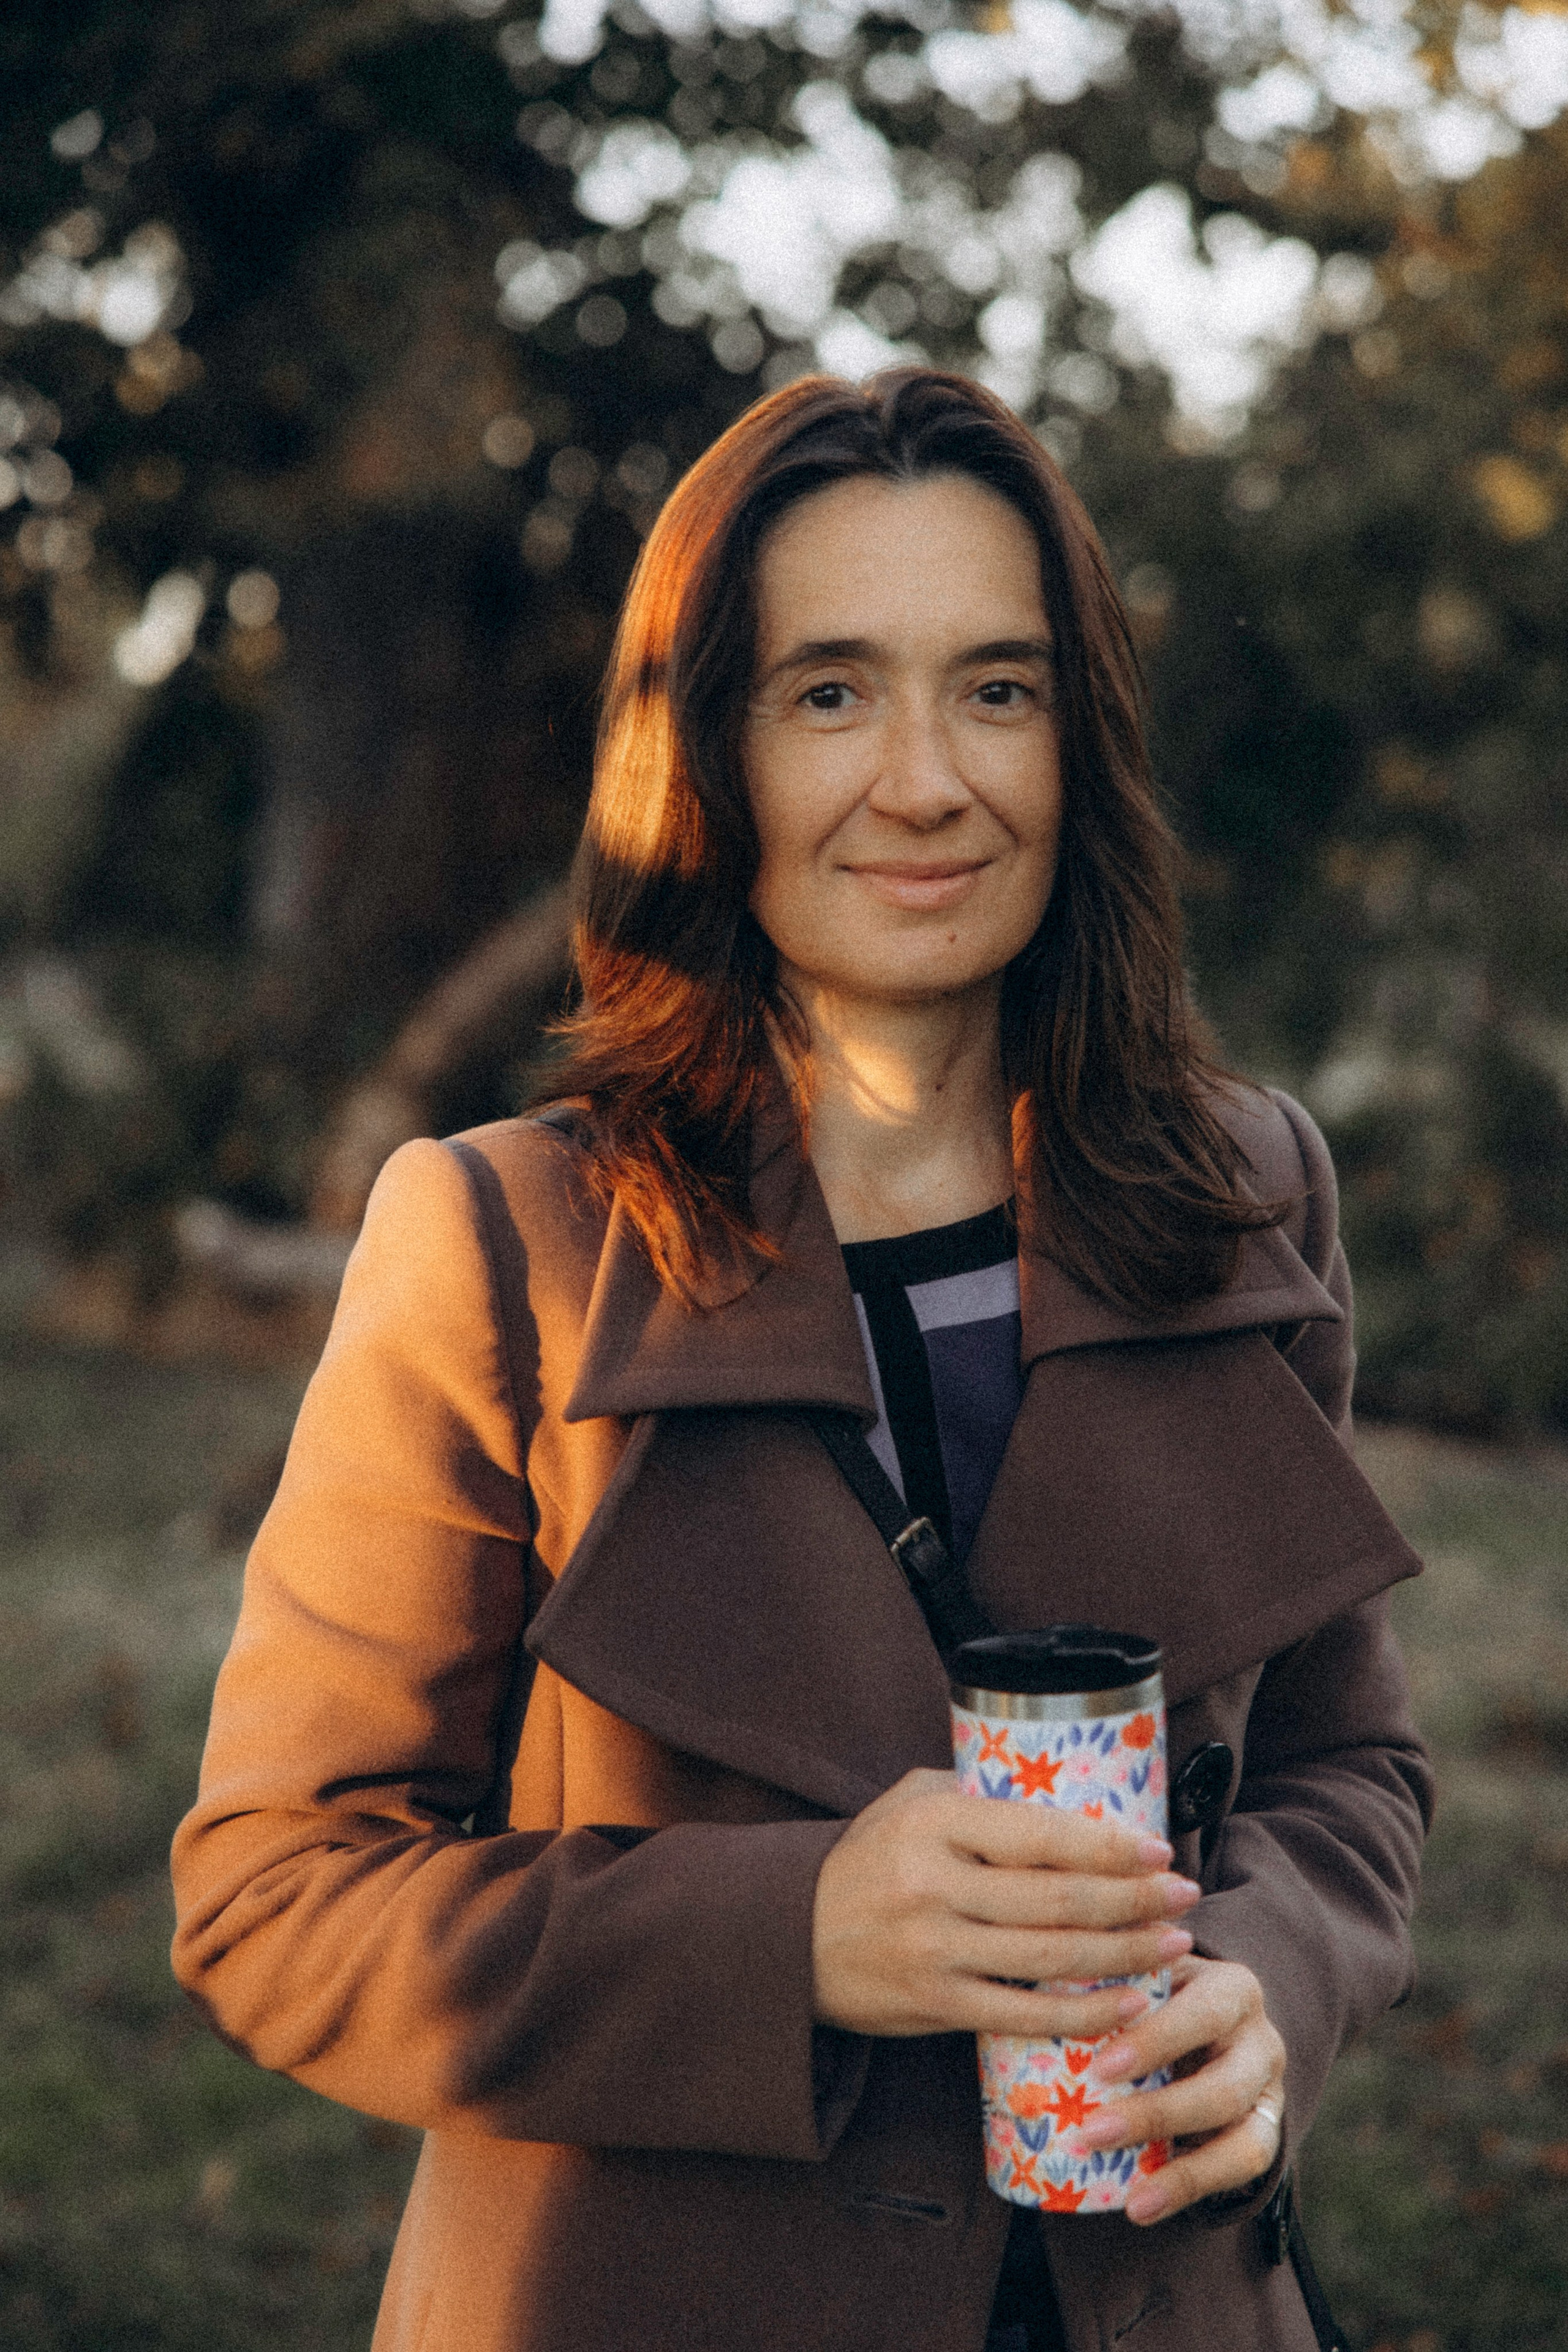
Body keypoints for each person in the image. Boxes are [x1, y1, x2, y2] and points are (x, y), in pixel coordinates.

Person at [171, 368, 1432, 2352]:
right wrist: (797, 1940)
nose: (926, 780)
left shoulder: (1246, 1190)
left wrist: (1266, 1988)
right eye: (831, 691)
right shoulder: (504, 1246)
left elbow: (1347, 1767)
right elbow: (278, 1892)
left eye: (998, 689)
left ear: (1079, 744)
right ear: (705, 758)